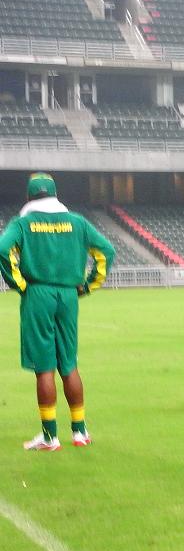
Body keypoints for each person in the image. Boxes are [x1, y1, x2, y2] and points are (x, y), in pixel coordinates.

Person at [0, 172, 115, 451]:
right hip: (68, 295)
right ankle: (80, 431)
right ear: (54, 194)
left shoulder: (23, 223)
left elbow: (3, 249)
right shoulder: (77, 222)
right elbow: (106, 251)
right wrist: (87, 286)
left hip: (38, 294)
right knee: (69, 364)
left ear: (29, 196)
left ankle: (50, 436)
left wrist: (20, 284)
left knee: (44, 367)